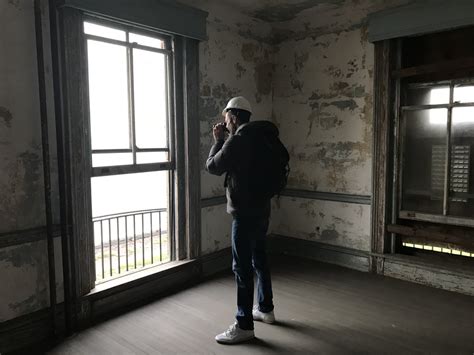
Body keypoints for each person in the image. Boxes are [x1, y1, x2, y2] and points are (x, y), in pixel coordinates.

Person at [206, 96, 276, 344]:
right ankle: (265, 309)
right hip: (262, 209)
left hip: (243, 215)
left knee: (241, 268)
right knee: (260, 258)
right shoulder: (261, 137)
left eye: (226, 118)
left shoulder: (237, 141)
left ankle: (244, 323)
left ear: (233, 117)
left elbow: (212, 166)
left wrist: (218, 141)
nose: (224, 123)